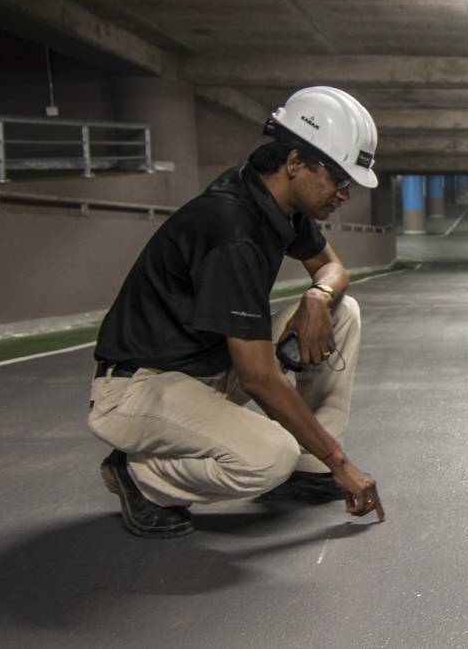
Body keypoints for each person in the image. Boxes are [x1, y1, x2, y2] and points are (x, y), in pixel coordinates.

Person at [88, 86, 385, 537]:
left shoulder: (275, 201)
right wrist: (341, 462)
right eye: (339, 179)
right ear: (295, 163)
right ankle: (142, 477)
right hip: (140, 388)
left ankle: (307, 465)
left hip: (205, 369)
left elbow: (331, 267)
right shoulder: (231, 229)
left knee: (343, 312)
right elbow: (258, 377)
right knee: (268, 458)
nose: (344, 194)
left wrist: (318, 297)